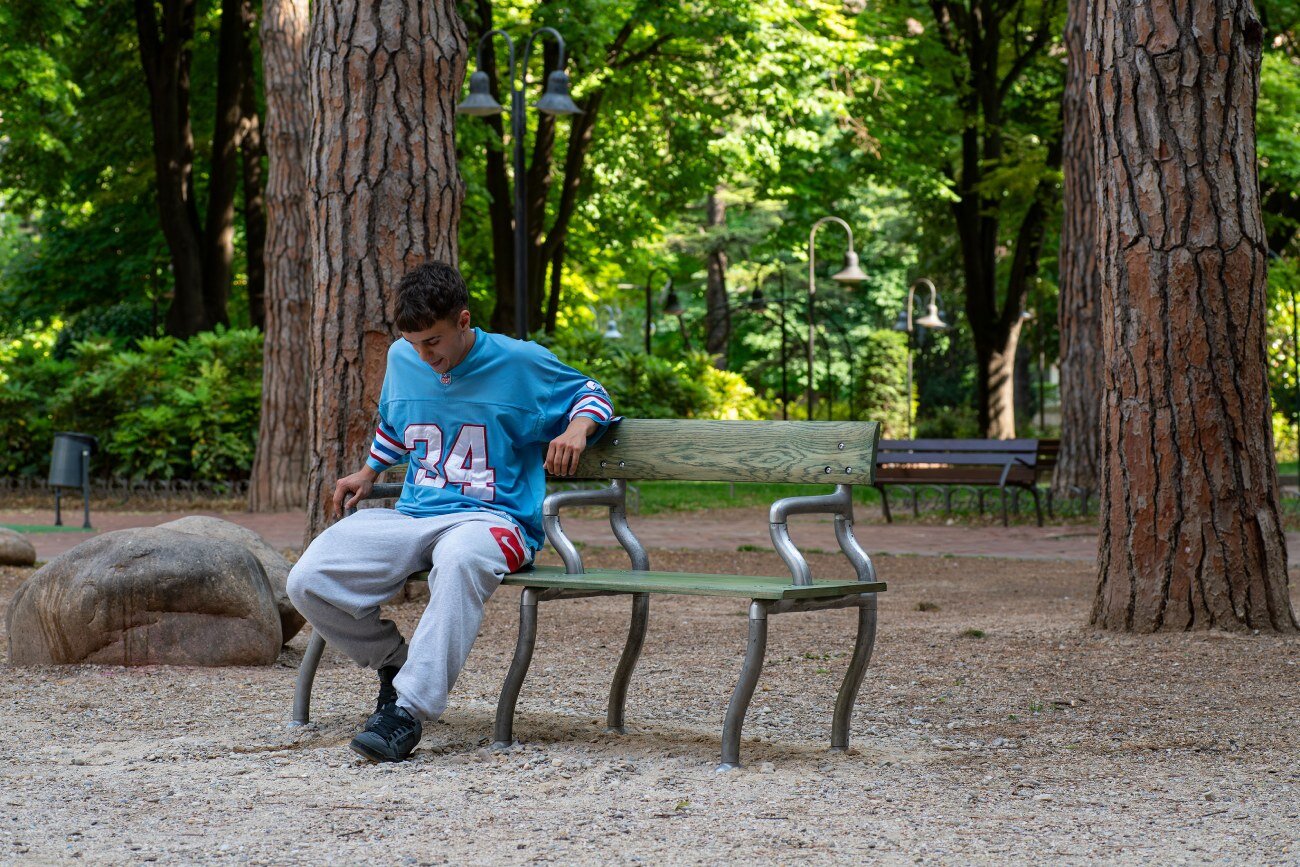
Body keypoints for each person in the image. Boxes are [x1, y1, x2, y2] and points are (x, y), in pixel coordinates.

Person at [286, 261, 615, 763]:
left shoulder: (521, 362)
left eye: (434, 342)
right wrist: (370, 471)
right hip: (415, 514)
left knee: (460, 557)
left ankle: (406, 711)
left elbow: (593, 394)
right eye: (414, 343)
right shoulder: (403, 357)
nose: (424, 355)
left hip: (495, 520)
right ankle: (395, 662)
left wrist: (576, 429)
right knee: (308, 578)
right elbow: (398, 423)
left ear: (463, 321)